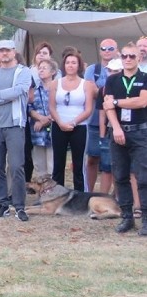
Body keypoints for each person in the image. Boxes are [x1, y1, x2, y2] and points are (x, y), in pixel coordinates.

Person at [0, 39, 33, 222]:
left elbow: (21, 90)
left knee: (17, 166)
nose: (4, 54)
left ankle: (19, 206)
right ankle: (2, 204)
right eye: (1, 51)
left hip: (15, 125)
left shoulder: (23, 72)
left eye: (7, 50)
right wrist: (7, 96)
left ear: (14, 51)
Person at [102, 43, 147, 235]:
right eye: (125, 56)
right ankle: (127, 217)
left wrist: (116, 102)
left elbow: (142, 101)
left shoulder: (144, 78)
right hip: (118, 131)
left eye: (132, 56)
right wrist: (117, 128)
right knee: (120, 176)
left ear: (139, 58)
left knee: (143, 177)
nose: (128, 59)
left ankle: (145, 220)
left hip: (140, 133)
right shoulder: (112, 80)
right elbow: (107, 107)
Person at [48, 51, 95, 193]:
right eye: (68, 62)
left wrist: (73, 122)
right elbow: (51, 106)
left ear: (79, 65)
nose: (70, 65)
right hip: (58, 125)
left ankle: (80, 195)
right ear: (64, 65)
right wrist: (60, 122)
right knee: (58, 162)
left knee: (79, 163)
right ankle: (57, 194)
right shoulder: (55, 83)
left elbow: (88, 109)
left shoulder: (86, 84)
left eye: (74, 62)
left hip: (79, 126)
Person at [84, 39, 118, 193]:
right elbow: (90, 92)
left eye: (110, 48)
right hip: (94, 121)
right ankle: (88, 193)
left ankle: (116, 196)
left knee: (113, 163)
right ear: (99, 51)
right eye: (103, 48)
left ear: (117, 50)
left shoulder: (123, 67)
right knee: (92, 159)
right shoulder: (93, 69)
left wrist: (102, 91)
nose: (107, 50)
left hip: (116, 123)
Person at [27, 58, 56, 180]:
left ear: (53, 72)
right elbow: (29, 107)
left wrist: (46, 120)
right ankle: (42, 193)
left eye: (44, 68)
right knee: (39, 166)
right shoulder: (35, 89)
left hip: (54, 132)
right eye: (40, 68)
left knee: (52, 165)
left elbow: (60, 107)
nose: (41, 70)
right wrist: (40, 118)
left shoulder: (58, 88)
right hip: (37, 133)